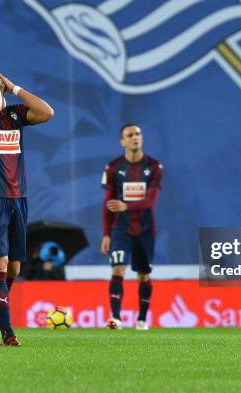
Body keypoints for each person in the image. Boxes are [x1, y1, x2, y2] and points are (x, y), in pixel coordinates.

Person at [0, 71, 54, 346]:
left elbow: (47, 112)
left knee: (12, 270)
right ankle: (8, 334)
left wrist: (14, 86)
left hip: (18, 197)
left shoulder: (14, 115)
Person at [100, 124, 163, 330]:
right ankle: (116, 318)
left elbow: (150, 201)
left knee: (143, 274)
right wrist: (106, 234)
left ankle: (142, 320)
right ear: (122, 142)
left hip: (145, 229)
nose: (135, 137)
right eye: (130, 135)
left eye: (138, 134)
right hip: (121, 228)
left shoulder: (154, 167)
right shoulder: (113, 168)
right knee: (117, 269)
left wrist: (126, 205)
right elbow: (107, 204)